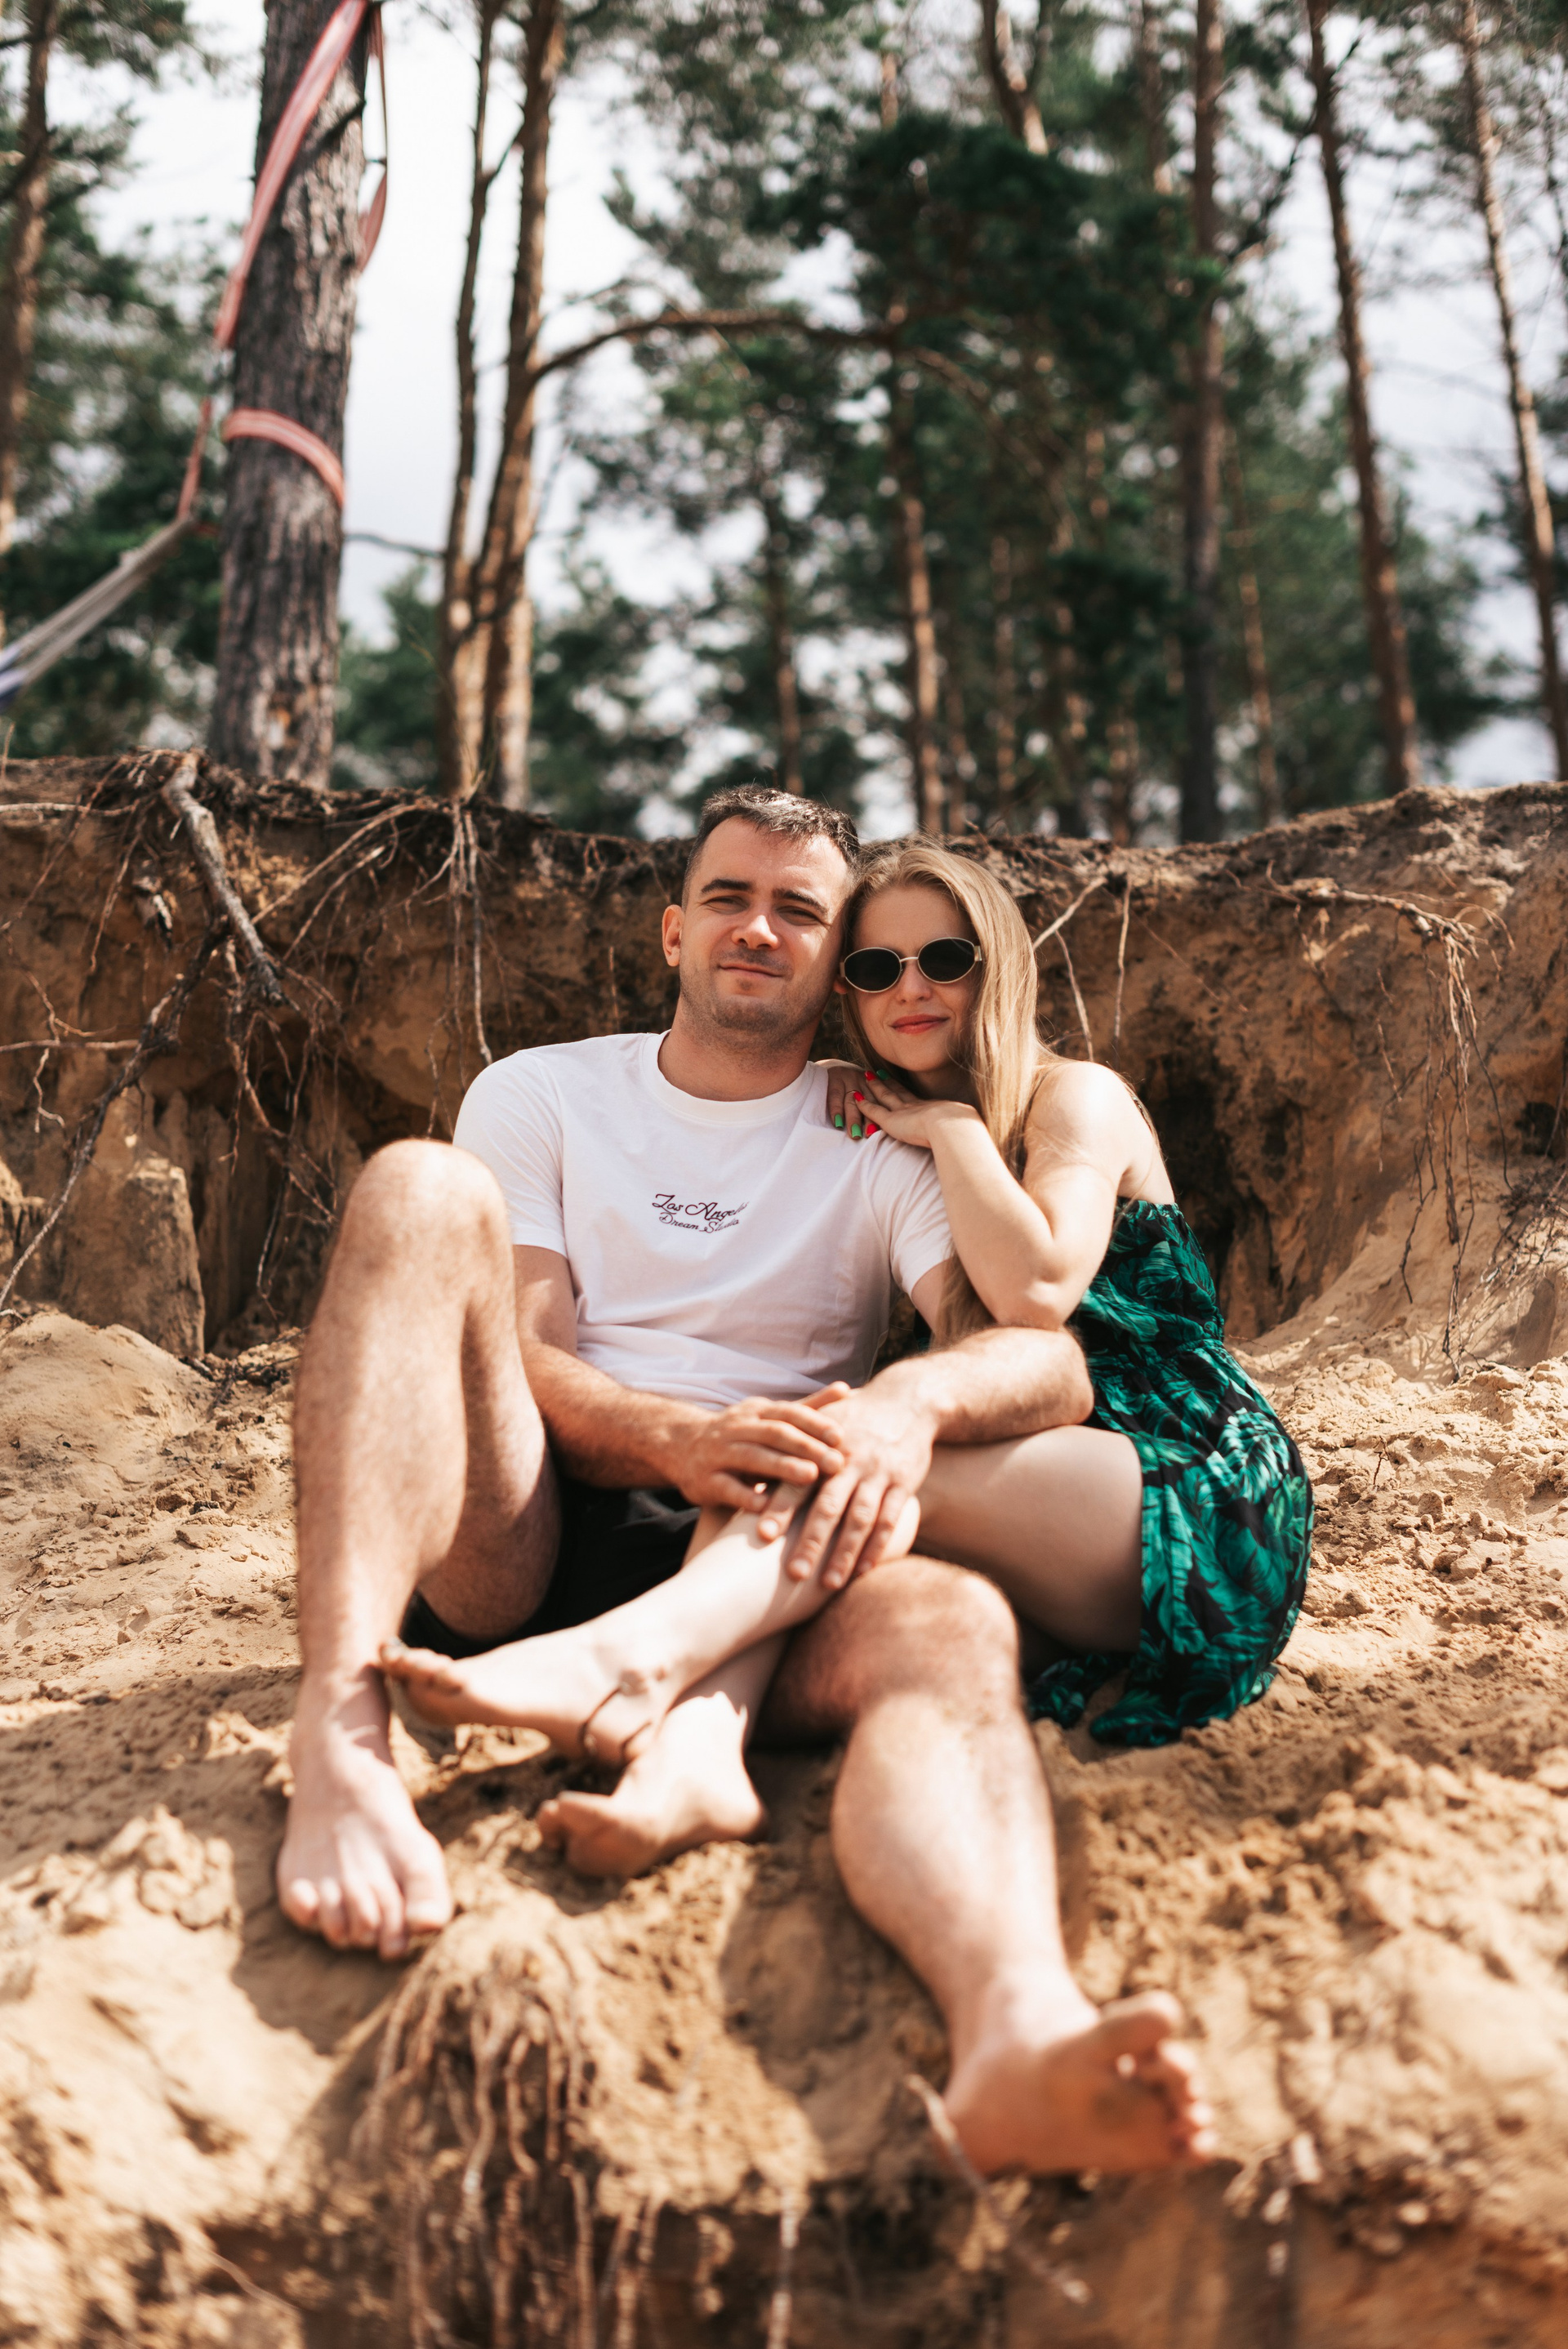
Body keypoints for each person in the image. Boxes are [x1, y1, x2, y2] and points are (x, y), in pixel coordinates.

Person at [279, 785, 1214, 2177]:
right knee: (417, 1187)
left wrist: (910, 1405)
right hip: (523, 1521)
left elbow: (1035, 1357)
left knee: (951, 1620)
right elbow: (524, 1355)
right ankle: (340, 1740)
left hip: (761, 1544)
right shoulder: (542, 1091)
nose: (758, 930)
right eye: (728, 897)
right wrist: (669, 1436)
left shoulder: (879, 1131)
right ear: (675, 930)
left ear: (834, 964)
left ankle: (1016, 2034)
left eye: (800, 911)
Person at [385, 833, 1309, 1932]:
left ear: (999, 965)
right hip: (1045, 1496)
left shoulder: (1073, 1099)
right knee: (807, 1465)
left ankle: (628, 1660)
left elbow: (1039, 1293)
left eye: (944, 960)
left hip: (1185, 1478)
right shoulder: (879, 1126)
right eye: (877, 968)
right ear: (847, 992)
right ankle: (700, 1751)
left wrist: (954, 1131)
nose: (911, 988)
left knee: (813, 1453)